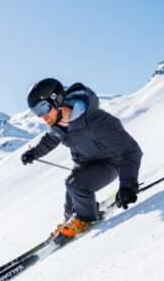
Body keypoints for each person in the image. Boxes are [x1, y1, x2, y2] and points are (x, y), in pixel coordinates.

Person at [21, 78, 143, 245]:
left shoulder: (95, 121)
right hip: (84, 166)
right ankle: (72, 220)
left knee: (74, 185)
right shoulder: (56, 126)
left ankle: (85, 218)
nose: (41, 116)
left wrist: (128, 185)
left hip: (111, 163)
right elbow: (49, 141)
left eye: (43, 107)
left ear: (57, 100)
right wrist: (33, 154)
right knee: (70, 190)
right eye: (35, 111)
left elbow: (131, 150)